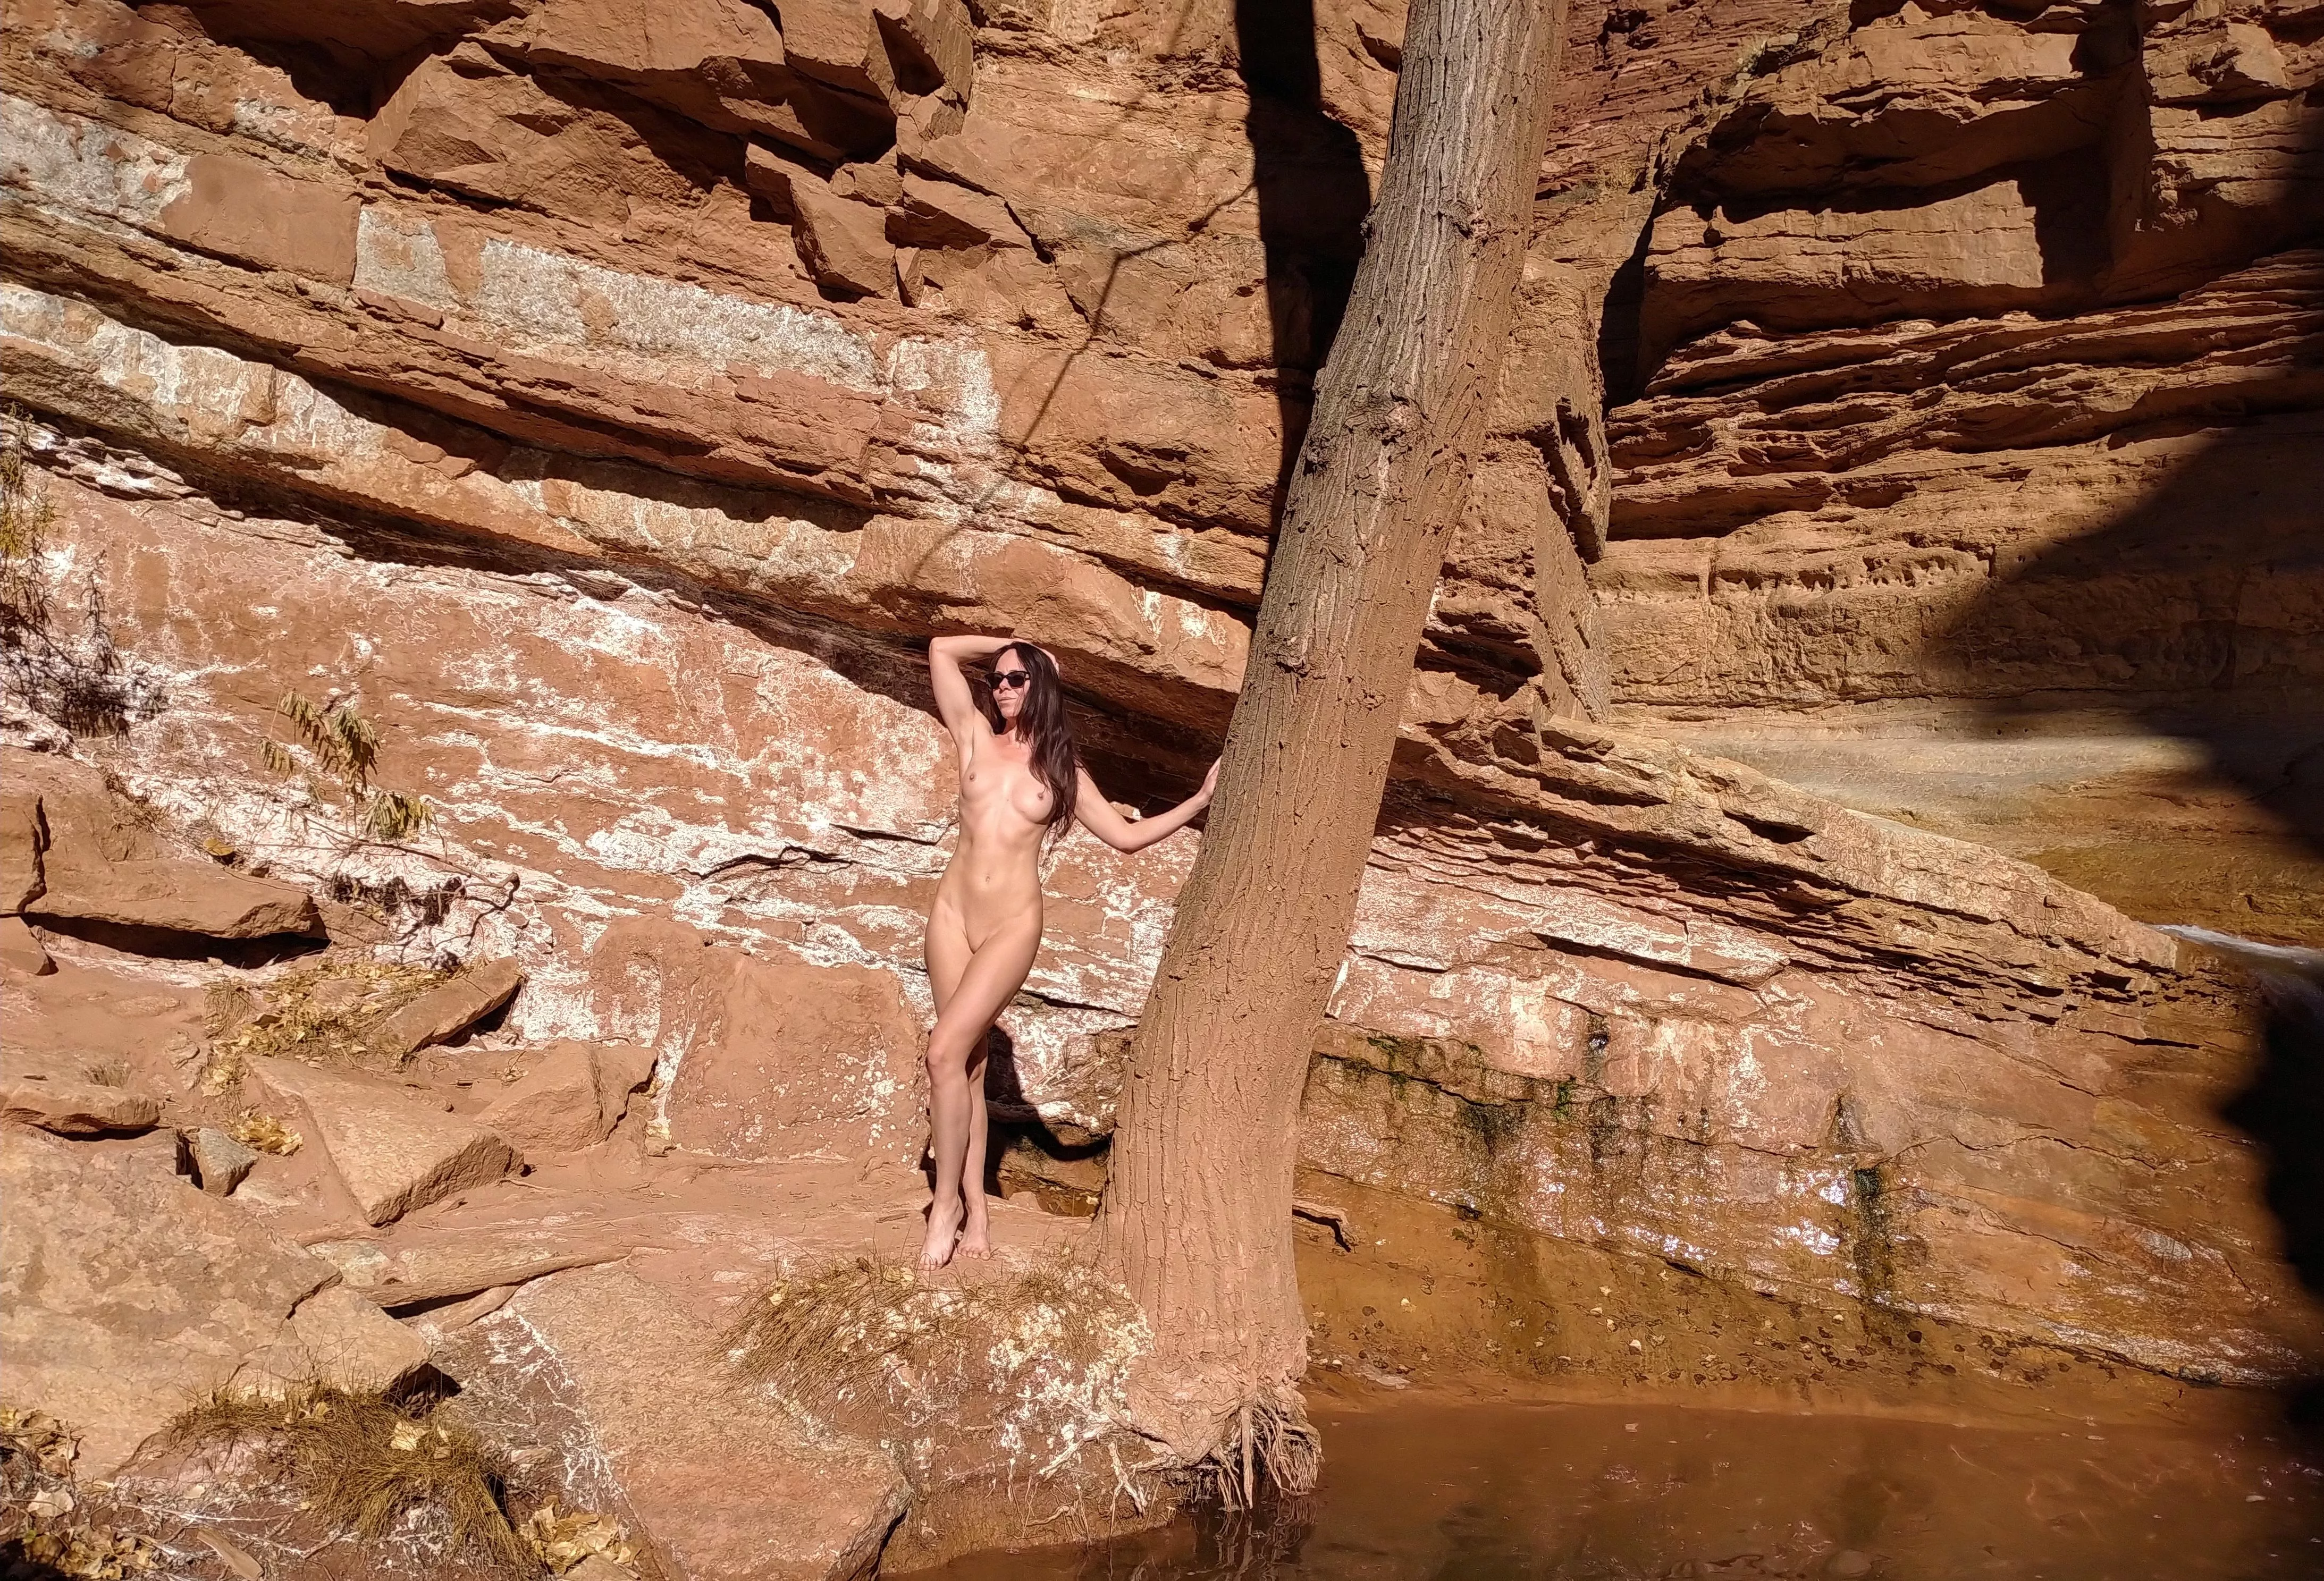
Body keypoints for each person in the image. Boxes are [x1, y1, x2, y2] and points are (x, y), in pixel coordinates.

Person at [919, 634, 1217, 1271]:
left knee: (941, 1051)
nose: (1001, 686)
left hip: (1010, 925)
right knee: (964, 1066)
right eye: (998, 677)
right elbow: (942, 649)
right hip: (950, 916)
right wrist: (1016, 644)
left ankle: (942, 1206)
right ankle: (976, 1201)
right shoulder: (971, 733)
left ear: (1044, 688)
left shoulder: (1063, 771)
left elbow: (1127, 838)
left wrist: (1196, 802)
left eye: (1018, 678)